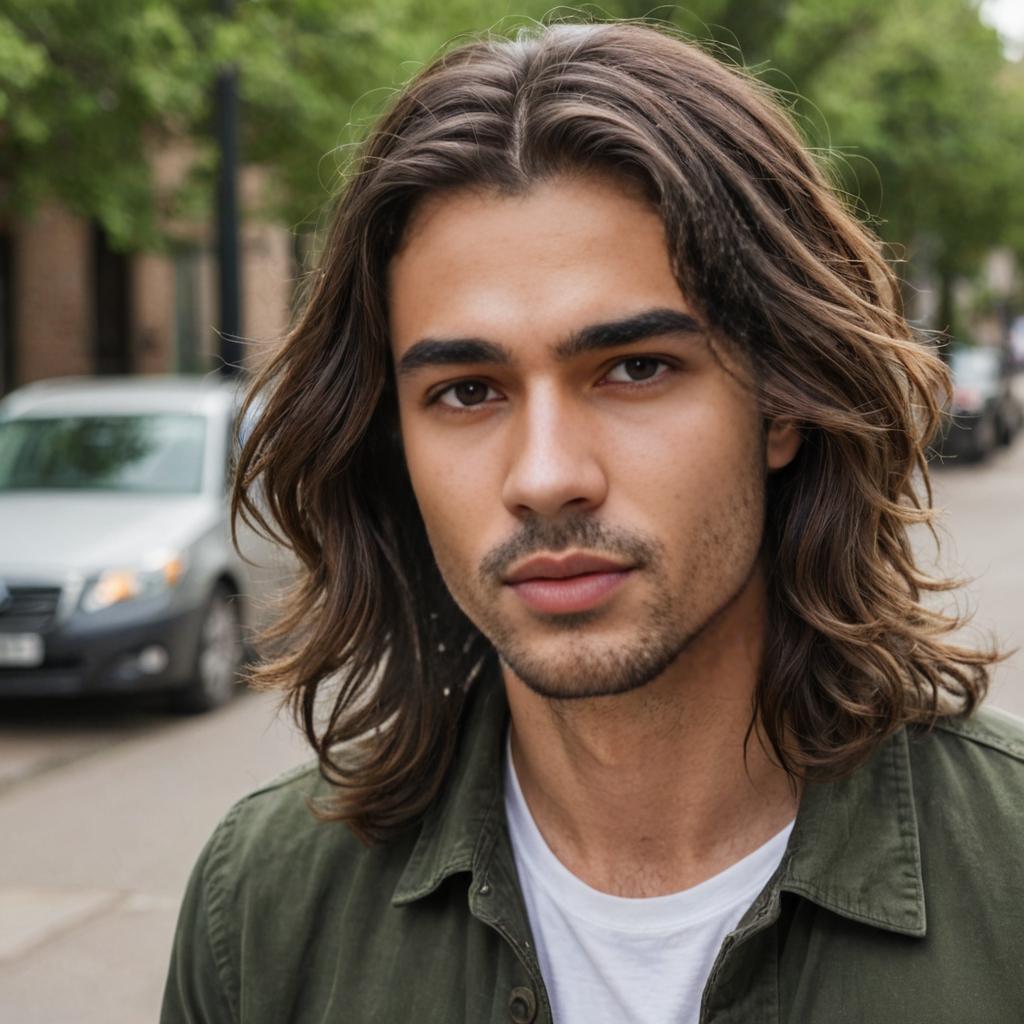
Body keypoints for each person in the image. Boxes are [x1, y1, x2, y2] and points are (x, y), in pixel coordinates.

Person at [162, 21, 1024, 1024]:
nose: (545, 477)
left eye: (633, 369)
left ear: (783, 402)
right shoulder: (263, 911)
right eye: (466, 391)